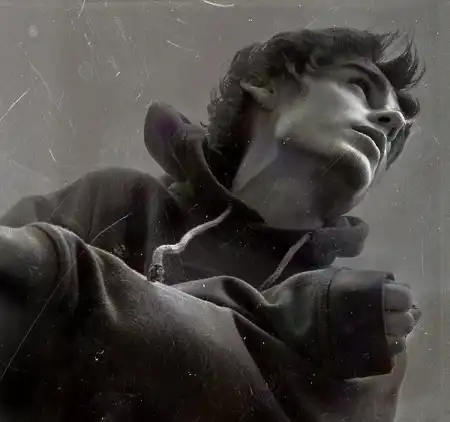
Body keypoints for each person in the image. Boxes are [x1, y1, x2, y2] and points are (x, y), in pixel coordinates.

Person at [0, 27, 424, 421]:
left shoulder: (367, 323)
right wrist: (288, 322)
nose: (390, 122)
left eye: (397, 133)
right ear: (266, 87)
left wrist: (64, 279)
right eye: (360, 86)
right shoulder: (115, 199)